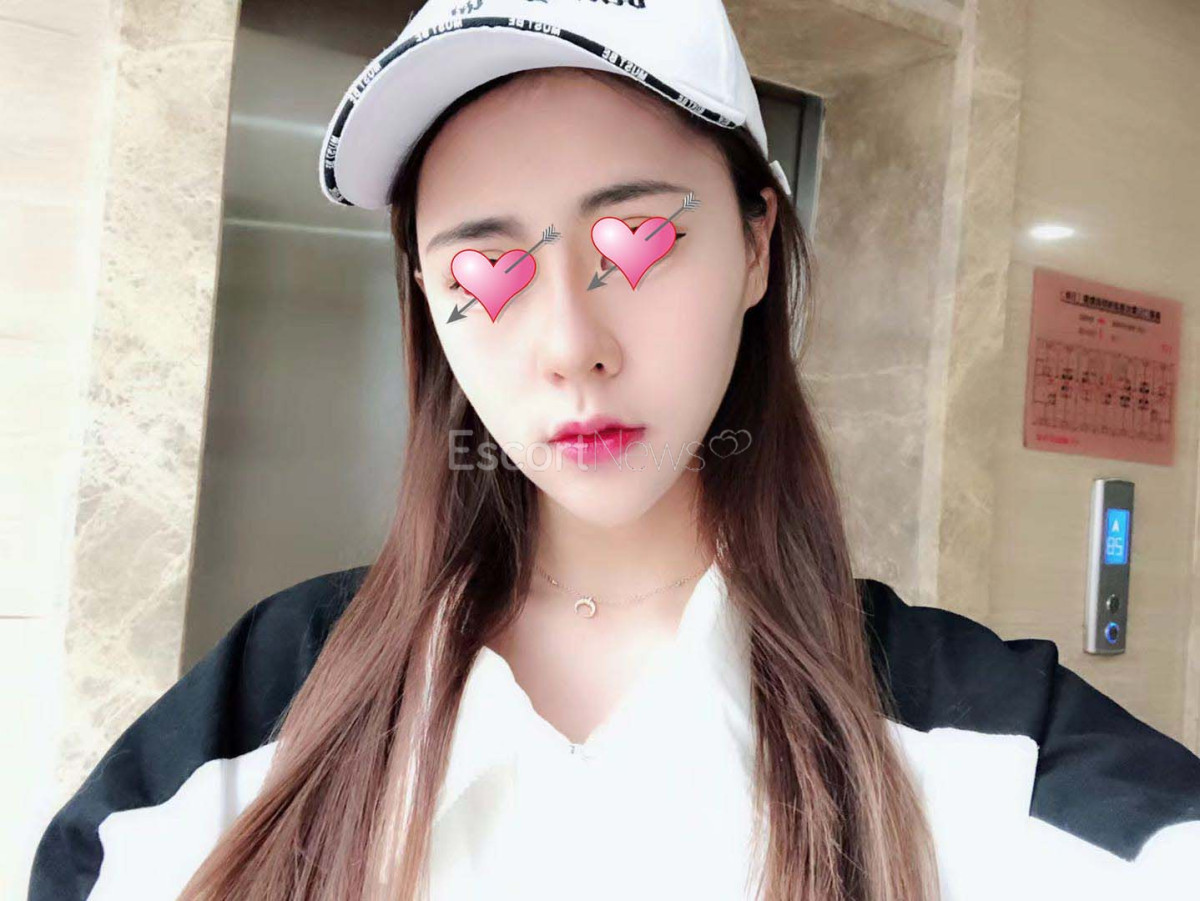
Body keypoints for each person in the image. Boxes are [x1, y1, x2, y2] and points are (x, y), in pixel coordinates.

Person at [28, 1, 1200, 899]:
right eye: (485, 266)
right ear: (427, 294)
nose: (569, 344)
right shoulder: (260, 712)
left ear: (755, 246)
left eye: (636, 235)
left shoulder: (982, 746)